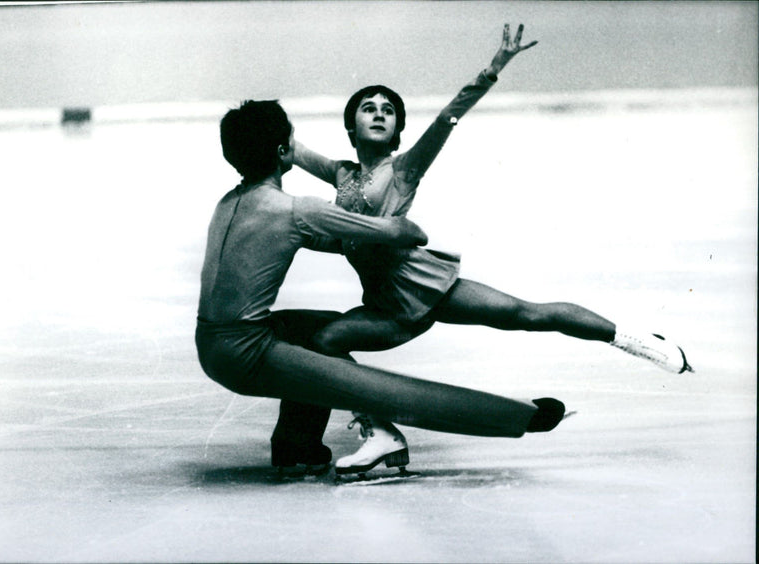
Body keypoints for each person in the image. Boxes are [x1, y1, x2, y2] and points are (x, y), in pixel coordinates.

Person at [291, 23, 693, 474]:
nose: (379, 113)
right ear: (351, 125)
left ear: (399, 128)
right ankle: (382, 432)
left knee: (527, 314)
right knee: (325, 342)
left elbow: (446, 119)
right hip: (386, 309)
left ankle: (632, 340)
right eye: (368, 108)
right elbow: (291, 148)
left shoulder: (402, 170)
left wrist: (493, 69)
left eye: (389, 110)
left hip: (427, 288)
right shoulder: (342, 175)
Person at [195, 99, 567, 476]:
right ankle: (508, 418)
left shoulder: (228, 203)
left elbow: (315, 239)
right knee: (367, 385)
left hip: (211, 342)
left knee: (320, 329)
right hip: (244, 353)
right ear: (281, 151)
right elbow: (401, 233)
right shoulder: (295, 209)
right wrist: (399, 228)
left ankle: (296, 444)